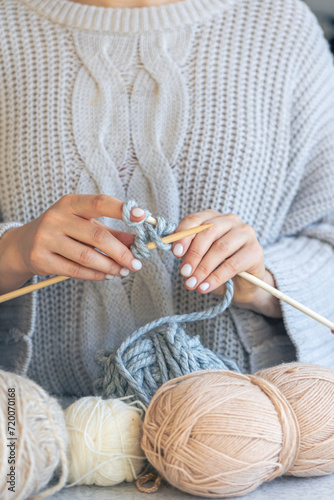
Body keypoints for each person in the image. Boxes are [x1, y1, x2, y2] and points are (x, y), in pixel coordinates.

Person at [0, 0, 334, 397]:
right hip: (34, 435)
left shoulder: (279, 25)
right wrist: (13, 251)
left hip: (241, 432)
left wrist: (264, 281)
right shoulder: (8, 28)